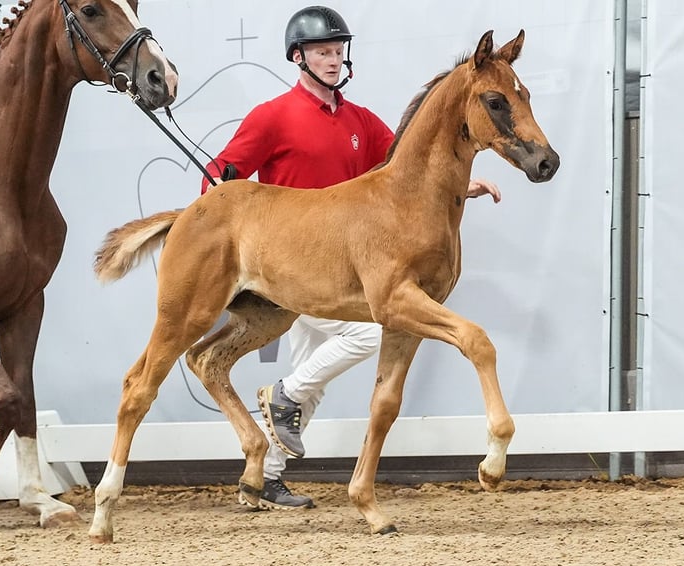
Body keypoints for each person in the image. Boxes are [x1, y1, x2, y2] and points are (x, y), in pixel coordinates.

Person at [202, 5, 501, 509]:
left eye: (339, 50)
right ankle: (283, 401)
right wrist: (220, 196)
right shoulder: (272, 115)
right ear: (298, 57)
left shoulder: (361, 120)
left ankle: (263, 480)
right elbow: (221, 173)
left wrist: (463, 186)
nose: (334, 59)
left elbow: (408, 171)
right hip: (292, 261)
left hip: (348, 259)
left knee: (307, 387)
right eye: (323, 51)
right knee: (366, 333)